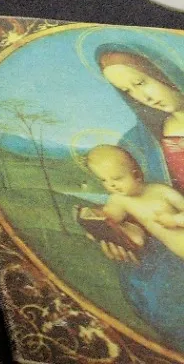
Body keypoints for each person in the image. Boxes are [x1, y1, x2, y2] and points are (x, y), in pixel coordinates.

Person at [92, 46, 184, 350]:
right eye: (129, 90)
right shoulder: (136, 143)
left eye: (141, 82)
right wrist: (120, 235)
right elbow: (130, 201)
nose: (142, 96)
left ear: (161, 70)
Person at [83, 144, 184, 259]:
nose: (111, 184)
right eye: (104, 180)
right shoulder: (119, 200)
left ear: (136, 174)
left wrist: (175, 220)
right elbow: (109, 220)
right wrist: (96, 229)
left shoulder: (161, 191)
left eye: (117, 178)